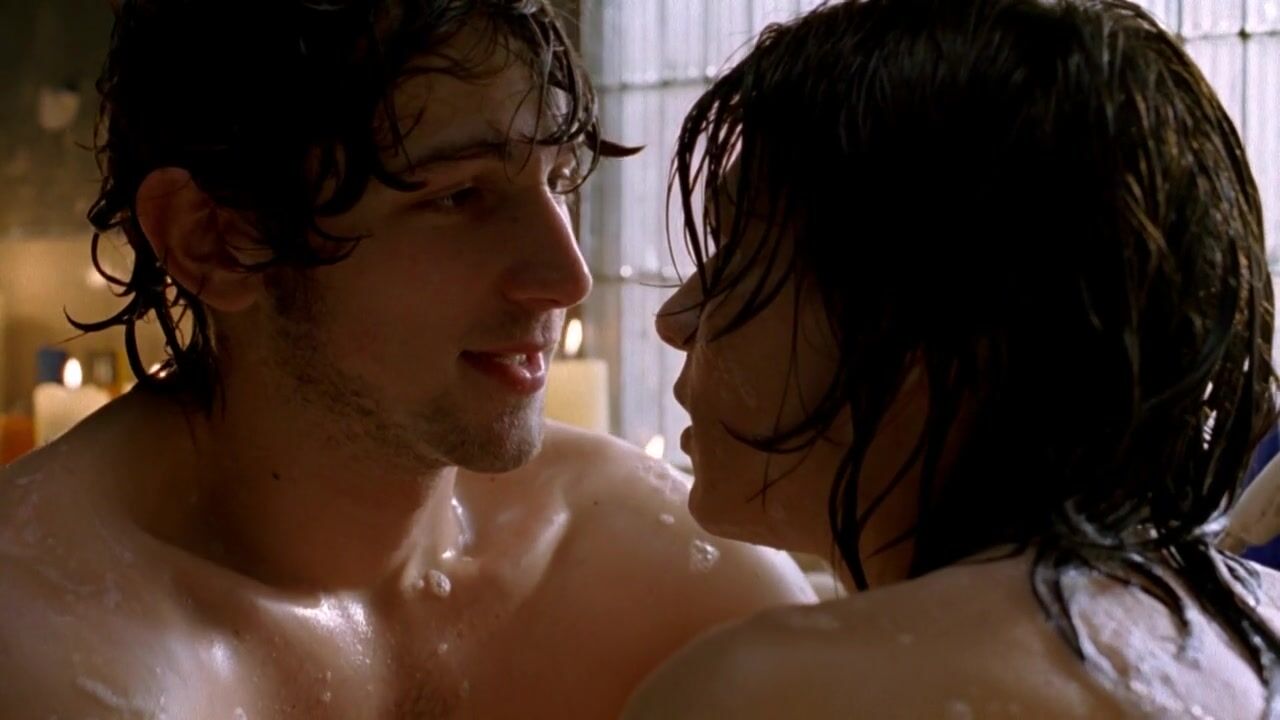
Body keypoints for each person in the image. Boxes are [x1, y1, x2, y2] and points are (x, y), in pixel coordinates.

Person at [0, 1, 814, 717]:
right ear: (214, 239)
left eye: (560, 177)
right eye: (459, 196)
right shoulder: (44, 644)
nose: (566, 278)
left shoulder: (676, 587)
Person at [627, 0, 1280, 717]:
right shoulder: (1258, 630)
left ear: (922, 323)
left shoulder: (773, 691)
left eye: (737, 256)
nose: (674, 319)